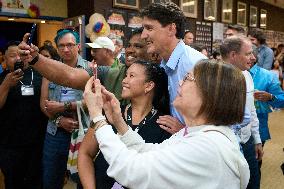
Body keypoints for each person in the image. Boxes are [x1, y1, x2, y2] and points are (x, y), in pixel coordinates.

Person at [82, 59, 250, 189]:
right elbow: (149, 151)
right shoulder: (196, 134)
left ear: (210, 93)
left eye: (187, 78)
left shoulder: (207, 146)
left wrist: (97, 116)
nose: (180, 83)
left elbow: (132, 170)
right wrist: (119, 122)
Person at [78, 61, 171, 188]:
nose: (124, 80)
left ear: (148, 86)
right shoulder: (112, 111)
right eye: (125, 75)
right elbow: (85, 153)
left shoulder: (164, 124)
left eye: (131, 76)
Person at [140, 2, 207, 134]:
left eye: (149, 28)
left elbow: (217, 119)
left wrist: (185, 132)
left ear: (171, 29)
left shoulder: (195, 64)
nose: (143, 35)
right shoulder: (164, 64)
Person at [40, 29, 90, 189]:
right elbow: (43, 103)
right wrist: (59, 120)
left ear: (78, 46)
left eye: (70, 45)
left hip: (83, 131)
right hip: (56, 132)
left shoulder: (90, 68)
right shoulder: (50, 69)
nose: (66, 49)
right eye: (61, 46)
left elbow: (95, 102)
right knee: (51, 179)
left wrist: (65, 106)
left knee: (83, 179)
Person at [0, 41, 47, 188]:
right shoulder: (2, 79)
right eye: (12, 56)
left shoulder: (40, 76)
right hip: (10, 145)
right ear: (5, 60)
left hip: (38, 143)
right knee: (13, 182)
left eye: (21, 55)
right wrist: (6, 85)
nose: (18, 59)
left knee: (36, 182)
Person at [220, 36, 263, 189]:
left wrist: (257, 138)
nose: (253, 58)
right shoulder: (214, 78)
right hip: (224, 149)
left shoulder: (247, 75)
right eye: (248, 54)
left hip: (247, 143)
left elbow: (252, 110)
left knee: (253, 184)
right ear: (233, 55)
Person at [249, 45, 284, 176]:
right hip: (230, 128)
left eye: (250, 54)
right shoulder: (228, 73)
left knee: (254, 167)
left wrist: (270, 97)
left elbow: (282, 99)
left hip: (257, 128)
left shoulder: (267, 76)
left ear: (254, 57)